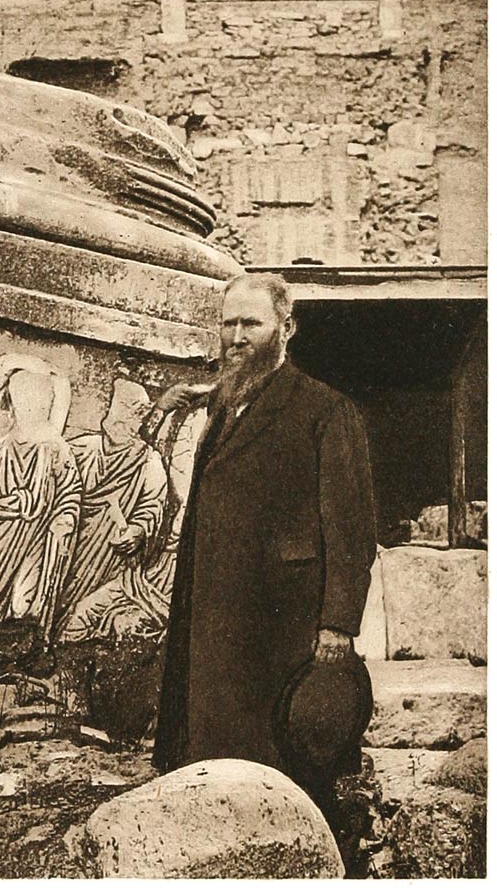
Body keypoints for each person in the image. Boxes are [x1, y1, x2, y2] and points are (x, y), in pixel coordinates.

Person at [153, 272, 377, 810]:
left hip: (282, 629)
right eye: (227, 323)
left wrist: (337, 626)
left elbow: (351, 531)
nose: (235, 336)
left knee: (284, 777)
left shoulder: (326, 411)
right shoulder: (223, 407)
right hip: (214, 621)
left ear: (287, 327)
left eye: (251, 323)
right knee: (215, 775)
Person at [0, 365, 82, 641]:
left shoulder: (55, 448)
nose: (32, 407)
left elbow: (70, 490)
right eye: (26, 400)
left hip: (35, 541)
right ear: (15, 404)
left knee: (23, 604)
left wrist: (65, 517)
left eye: (39, 402)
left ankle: (11, 664)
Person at [57, 377, 169, 639]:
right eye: (124, 413)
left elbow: (153, 506)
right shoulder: (81, 448)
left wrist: (138, 530)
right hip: (70, 549)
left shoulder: (148, 462)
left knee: (81, 616)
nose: (129, 424)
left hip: (109, 560)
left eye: (136, 416)